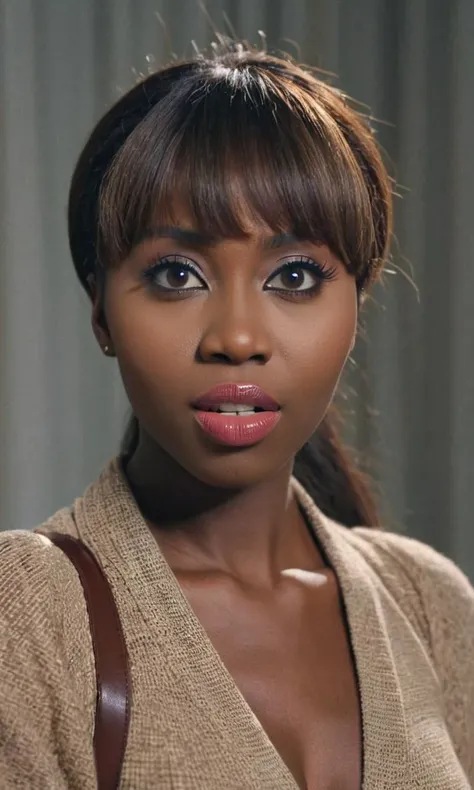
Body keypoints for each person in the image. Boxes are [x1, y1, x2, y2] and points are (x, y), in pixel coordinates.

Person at [0, 41, 473, 790]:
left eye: (294, 276)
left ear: (358, 302)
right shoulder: (26, 615)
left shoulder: (429, 603)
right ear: (101, 311)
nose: (238, 339)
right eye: (176, 274)